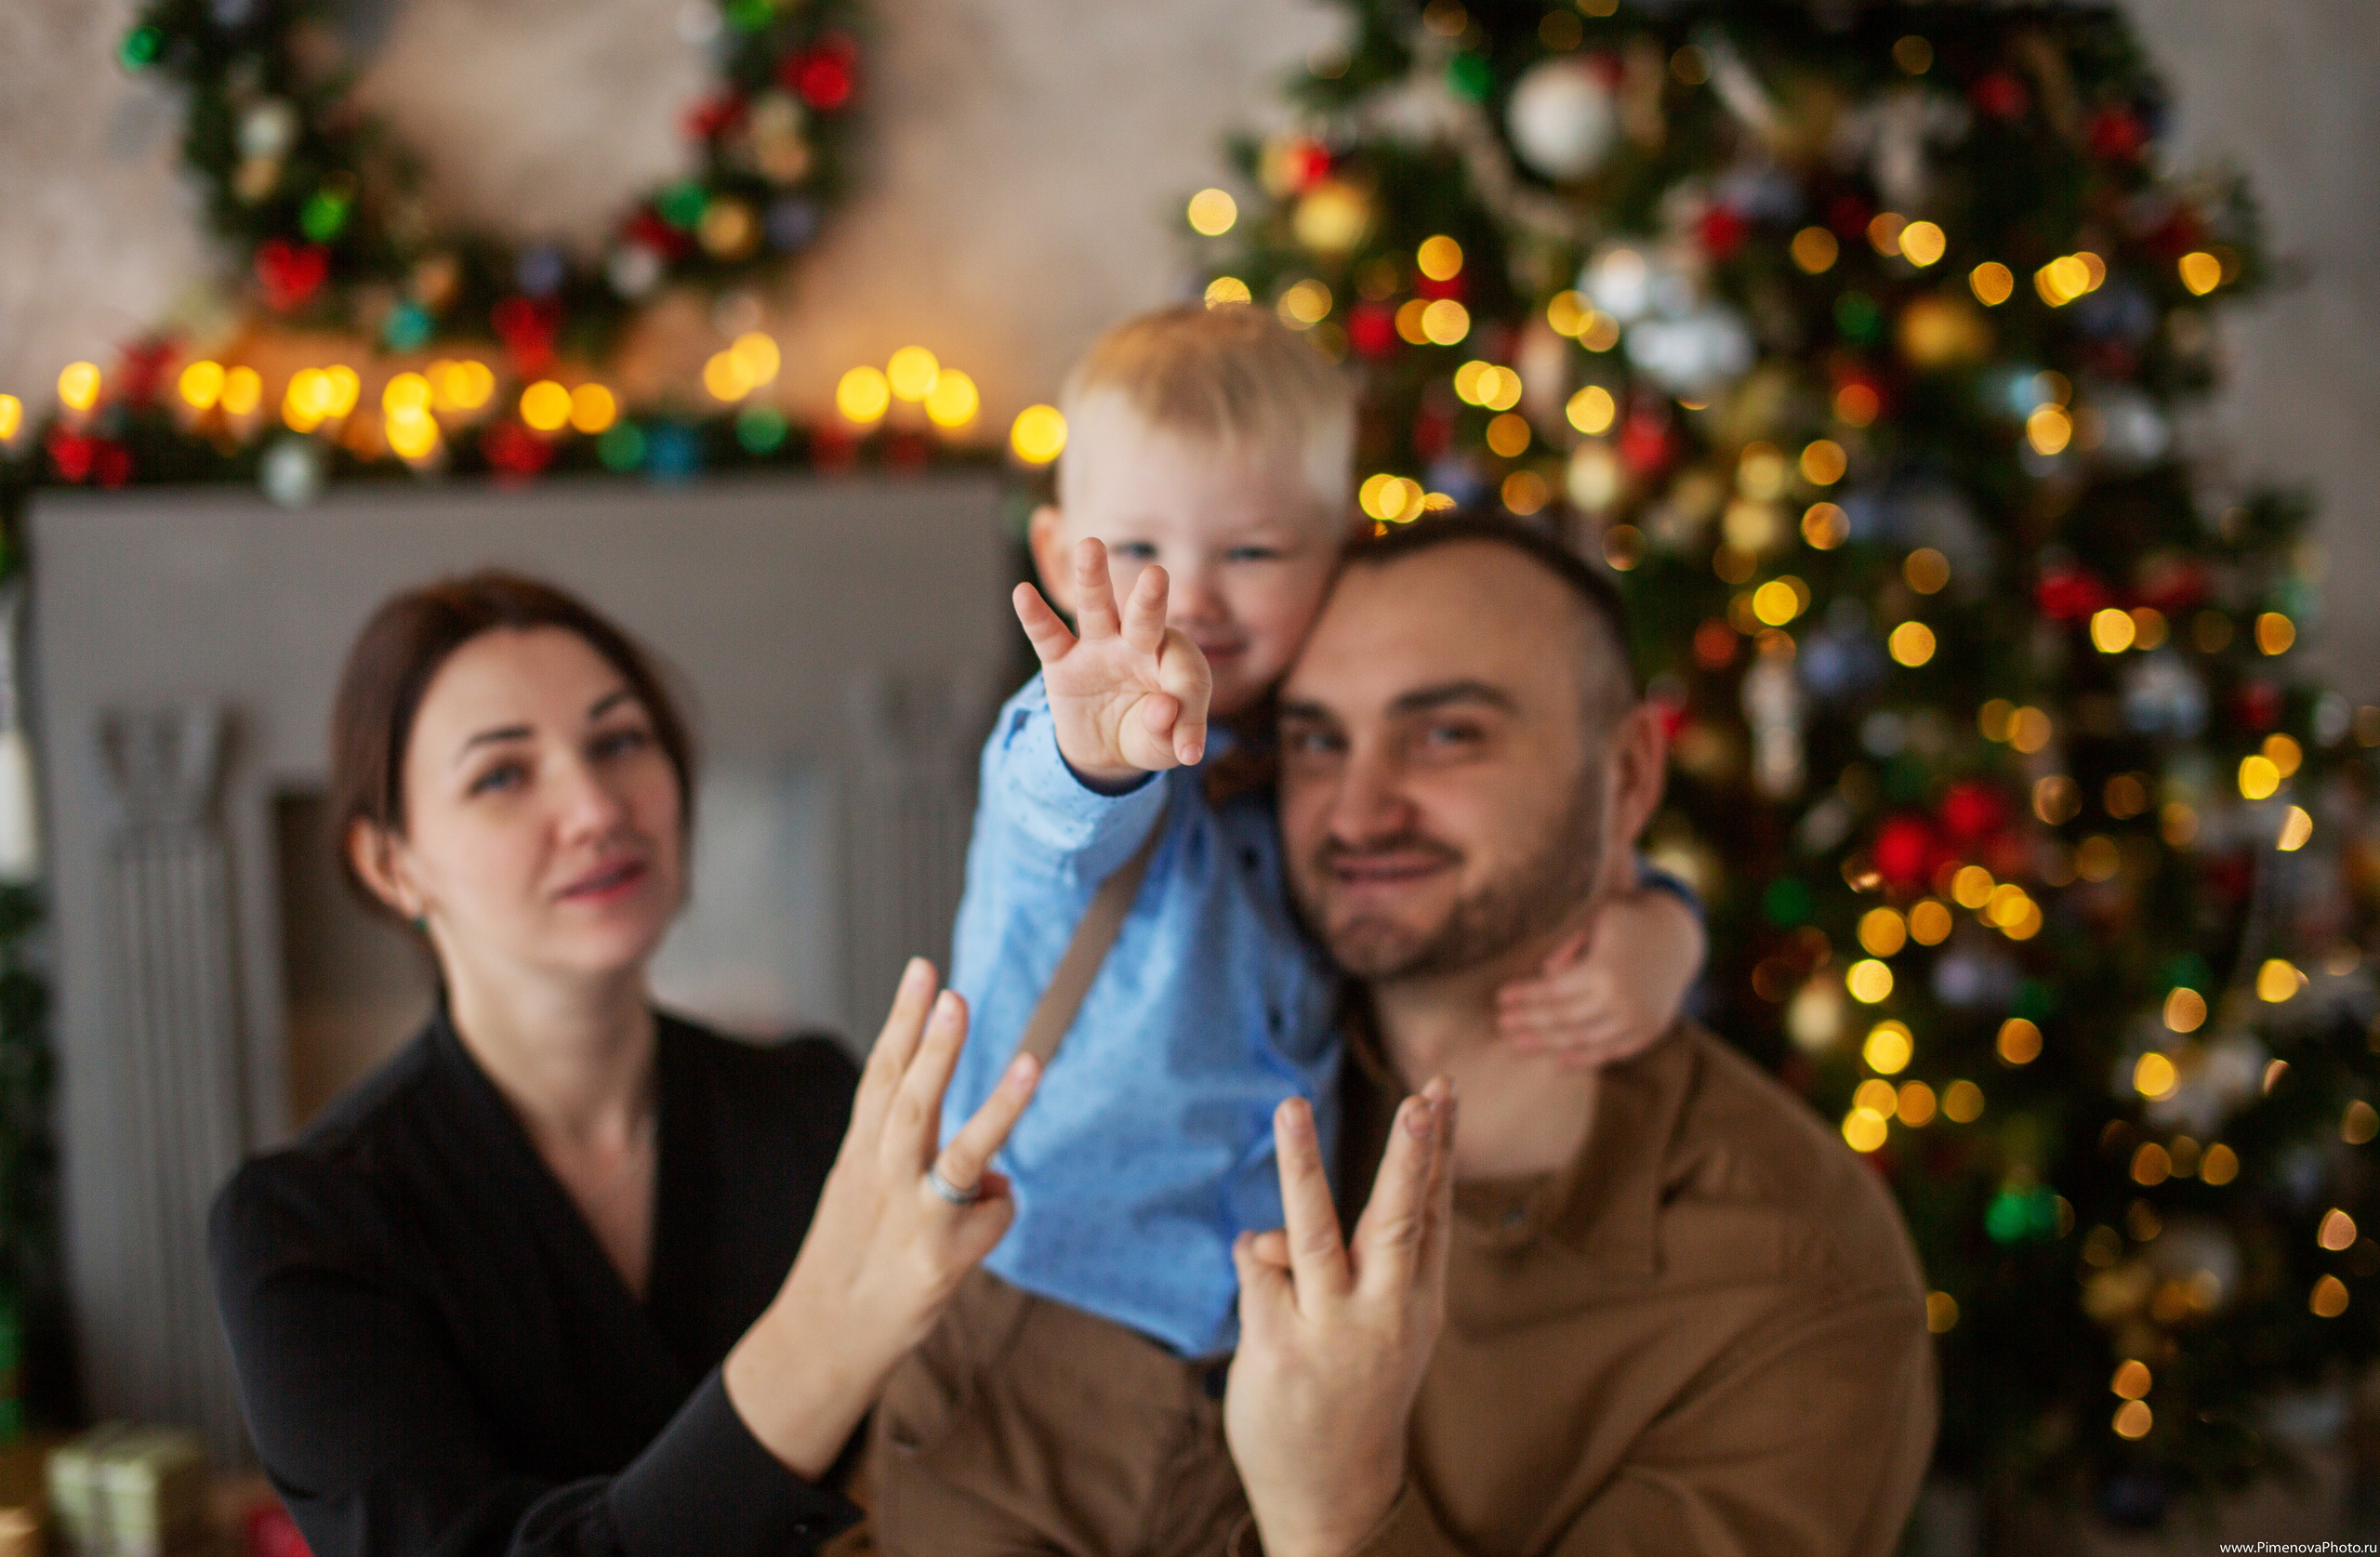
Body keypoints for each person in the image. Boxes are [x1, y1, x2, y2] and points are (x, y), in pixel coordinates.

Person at [870, 305, 1706, 1551]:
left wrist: (1662, 926)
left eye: (1253, 550)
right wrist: (1098, 744)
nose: (1190, 593)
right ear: (1057, 549)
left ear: (1340, 551)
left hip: (1249, 1348)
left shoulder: (1327, 774)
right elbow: (1049, 815)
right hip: (1030, 1318)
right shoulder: (1077, 742)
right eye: (1136, 545)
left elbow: (1537, 858)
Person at [209, 572, 1042, 1557]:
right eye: (501, 775)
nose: (596, 807)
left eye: (618, 743)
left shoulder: (810, 1101)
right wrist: (825, 1337)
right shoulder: (307, 1224)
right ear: (392, 864)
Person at [1221, 514, 1938, 1557]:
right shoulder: (1210, 1066)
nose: (1357, 812)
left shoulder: (1796, 1281)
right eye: (1318, 741)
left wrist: (1336, 1513)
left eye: (1447, 734)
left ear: (1631, 775)